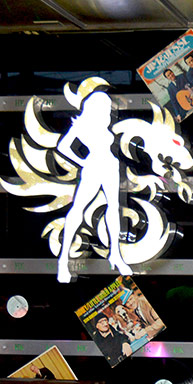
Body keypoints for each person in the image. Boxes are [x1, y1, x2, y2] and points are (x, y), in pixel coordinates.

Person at [55, 86, 128, 283]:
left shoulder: (103, 124)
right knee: (78, 208)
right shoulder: (82, 125)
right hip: (94, 167)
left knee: (114, 207)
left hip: (110, 166)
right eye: (104, 106)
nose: (107, 110)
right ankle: (63, 261)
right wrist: (82, 162)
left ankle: (115, 254)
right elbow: (63, 146)